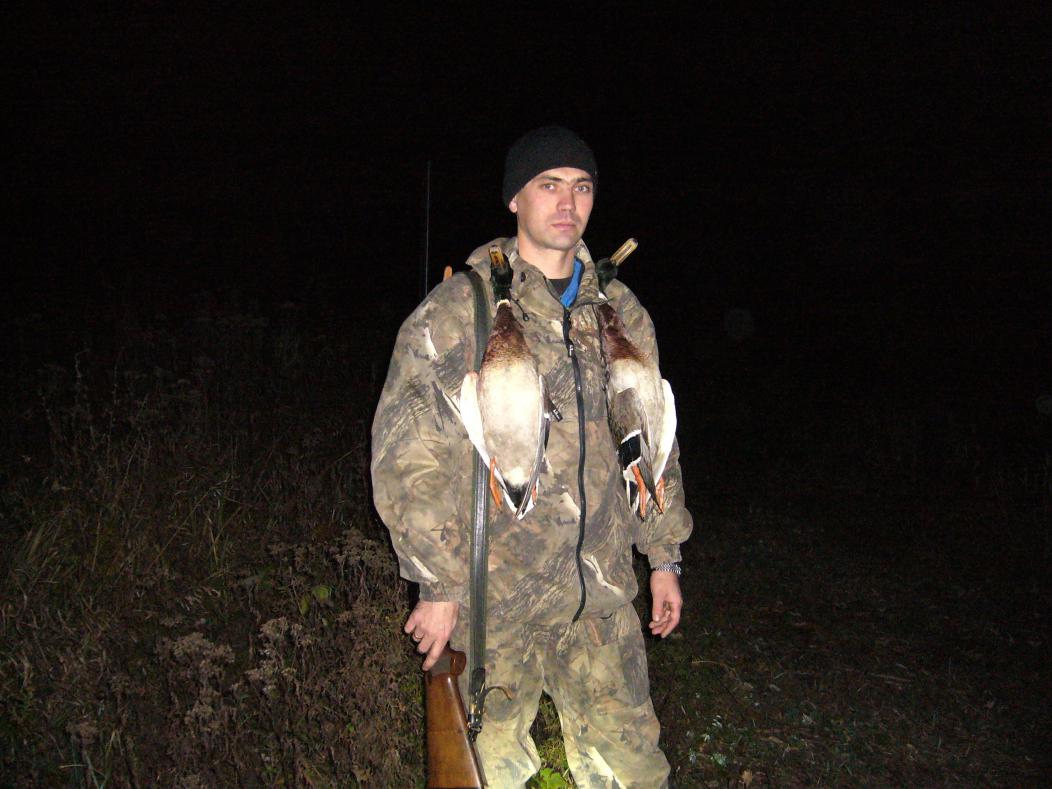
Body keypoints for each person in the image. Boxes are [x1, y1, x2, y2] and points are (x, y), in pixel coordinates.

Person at [371, 125, 693, 788]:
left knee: (634, 773)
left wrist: (663, 554)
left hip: (600, 598)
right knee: (489, 773)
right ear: (515, 199)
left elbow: (655, 441)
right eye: (549, 185)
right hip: (492, 605)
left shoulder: (621, 314)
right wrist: (437, 583)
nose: (568, 202)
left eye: (582, 186)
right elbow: (410, 455)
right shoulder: (461, 311)